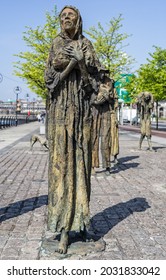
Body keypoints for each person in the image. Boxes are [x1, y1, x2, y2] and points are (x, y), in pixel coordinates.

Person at [44, 5, 102, 254]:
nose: (66, 18)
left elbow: (94, 87)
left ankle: (81, 221)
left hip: (82, 116)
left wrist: (81, 65)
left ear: (78, 20)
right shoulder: (55, 44)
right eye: (62, 15)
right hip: (59, 115)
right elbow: (50, 82)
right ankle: (63, 229)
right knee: (61, 167)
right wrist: (68, 65)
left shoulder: (87, 45)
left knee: (82, 167)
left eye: (71, 15)